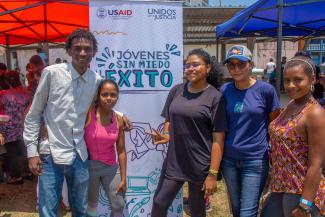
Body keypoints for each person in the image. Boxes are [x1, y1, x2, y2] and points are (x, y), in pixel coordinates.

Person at [24, 29, 131, 217]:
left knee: (81, 210)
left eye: (87, 49)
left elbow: (103, 102)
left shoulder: (95, 80)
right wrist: (32, 152)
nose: (83, 53)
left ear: (93, 52)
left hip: (80, 154)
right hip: (51, 152)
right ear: (69, 51)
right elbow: (33, 114)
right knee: (48, 210)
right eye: (78, 48)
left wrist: (119, 114)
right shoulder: (52, 74)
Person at [150, 48, 227, 217]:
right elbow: (169, 120)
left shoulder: (215, 98)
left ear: (207, 68)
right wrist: (167, 135)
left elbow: (218, 140)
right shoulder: (177, 90)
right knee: (159, 203)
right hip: (175, 159)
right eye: (187, 65)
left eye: (195, 64)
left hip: (200, 163)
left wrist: (212, 174)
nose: (190, 68)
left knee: (197, 209)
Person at [220, 45, 281, 217]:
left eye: (241, 64)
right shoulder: (224, 91)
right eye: (231, 65)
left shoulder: (266, 91)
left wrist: (274, 158)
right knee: (237, 210)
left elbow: (274, 125)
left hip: (255, 160)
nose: (236, 68)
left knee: (248, 212)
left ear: (251, 64)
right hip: (229, 160)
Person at [261, 56, 325, 217]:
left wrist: (305, 205)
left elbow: (316, 165)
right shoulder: (292, 104)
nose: (291, 85)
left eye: (298, 80)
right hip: (280, 186)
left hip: (300, 191)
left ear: (313, 79)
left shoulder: (315, 113)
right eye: (287, 80)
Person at [85, 80, 126, 217]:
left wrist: (123, 178)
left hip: (110, 168)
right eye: (105, 94)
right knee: (91, 206)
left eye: (113, 95)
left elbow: (121, 151)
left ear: (117, 97)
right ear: (98, 96)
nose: (109, 98)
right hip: (89, 168)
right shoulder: (88, 114)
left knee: (119, 204)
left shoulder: (118, 120)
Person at [0, 70, 30, 184]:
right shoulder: (26, 93)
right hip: (23, 126)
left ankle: (16, 176)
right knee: (24, 149)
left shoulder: (4, 94)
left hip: (9, 127)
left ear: (7, 81)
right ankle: (28, 172)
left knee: (12, 152)